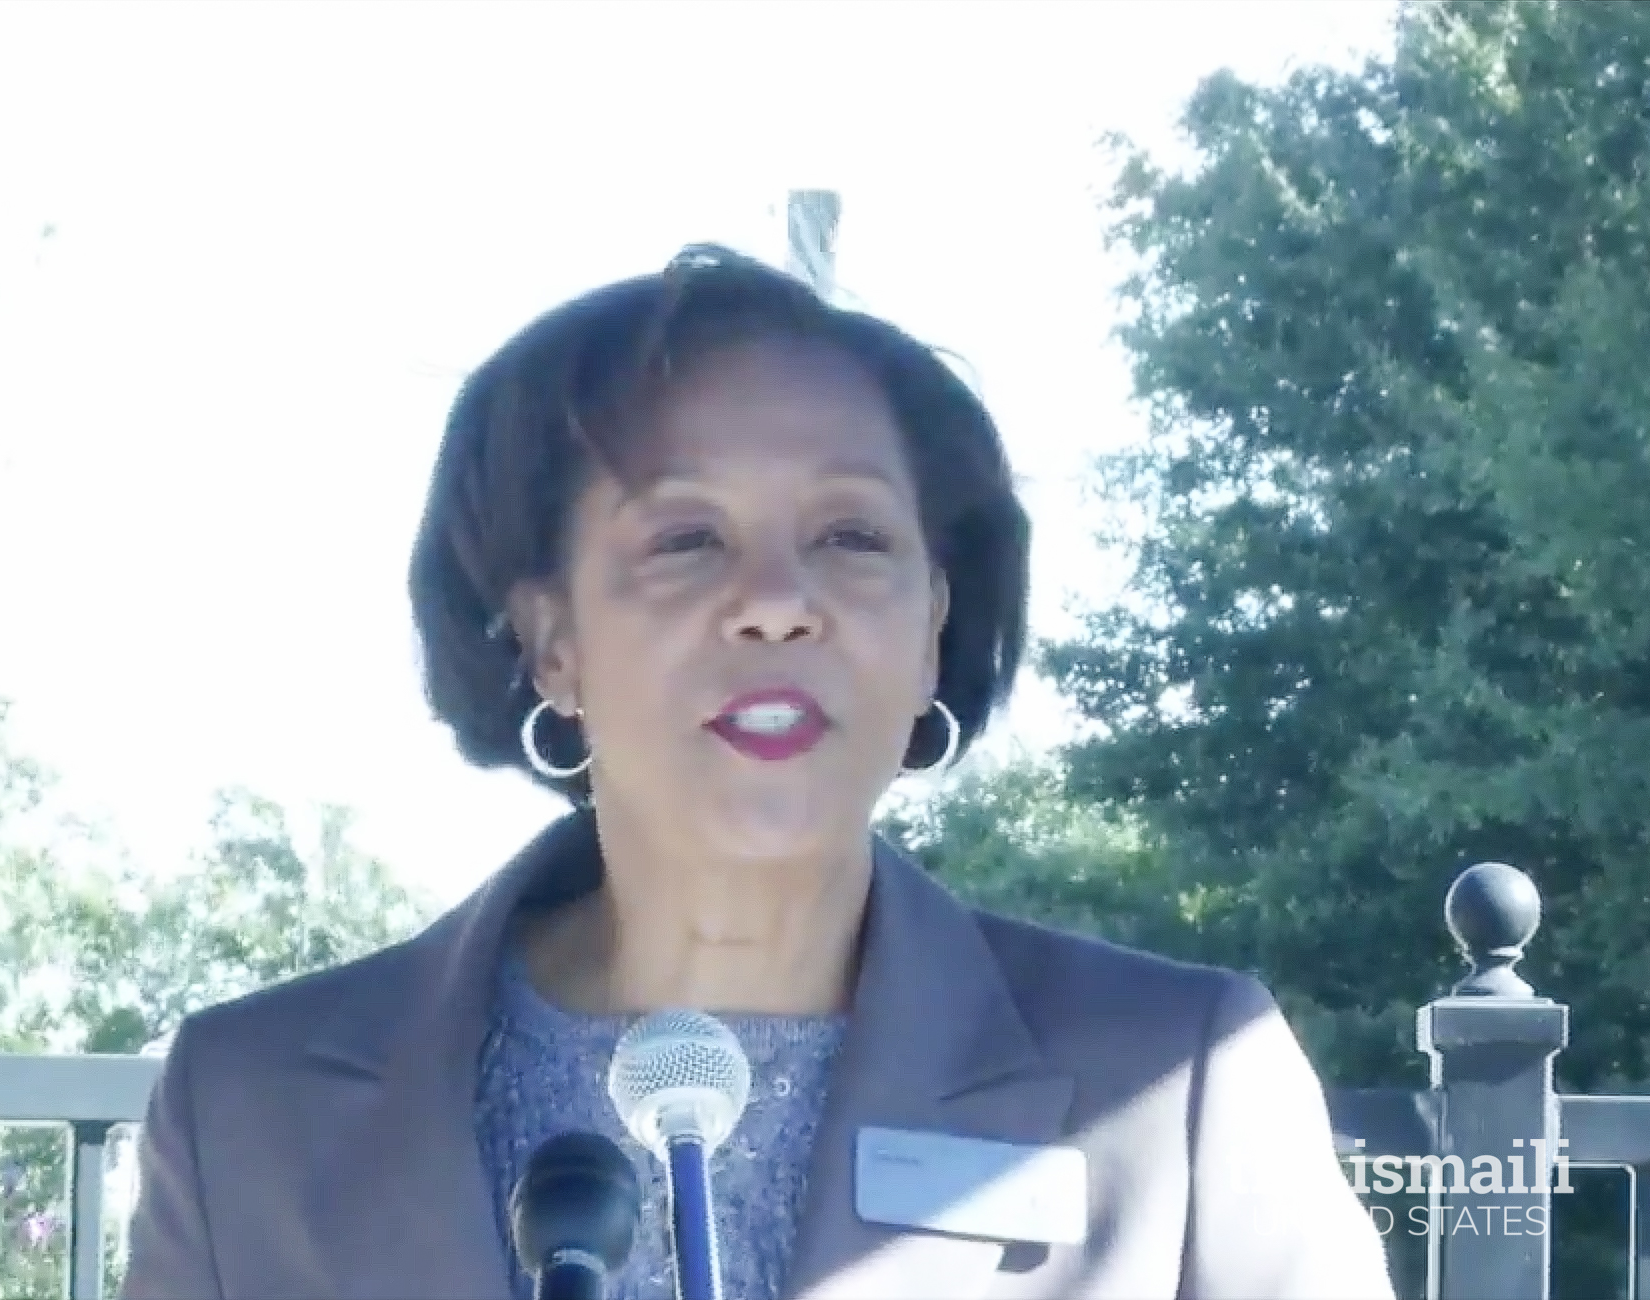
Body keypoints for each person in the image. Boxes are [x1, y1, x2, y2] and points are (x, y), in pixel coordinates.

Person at [122, 247, 1394, 1300]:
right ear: (548, 637)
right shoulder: (251, 1108)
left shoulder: (1180, 1084)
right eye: (686, 539)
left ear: (931, 625)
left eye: (849, 535)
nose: (778, 603)